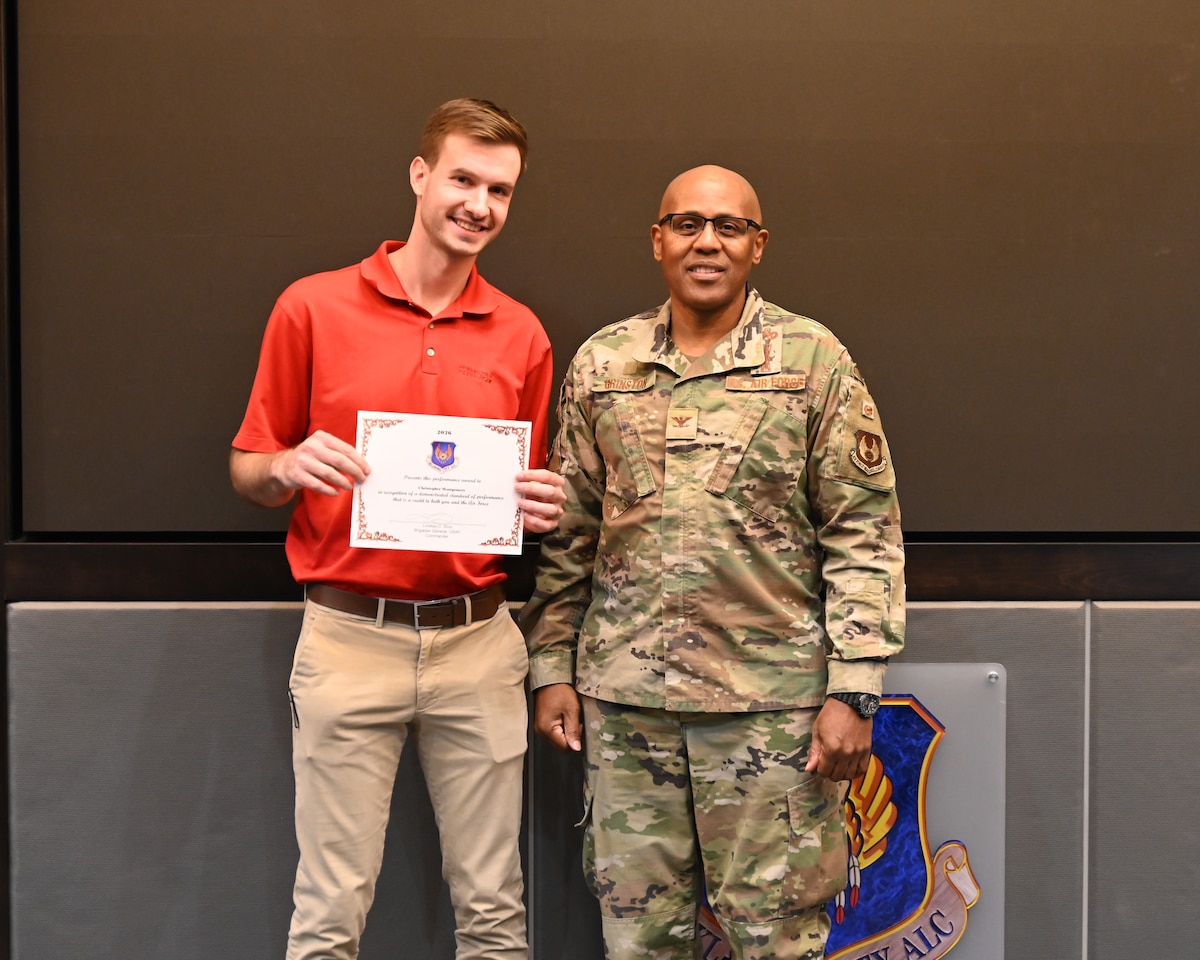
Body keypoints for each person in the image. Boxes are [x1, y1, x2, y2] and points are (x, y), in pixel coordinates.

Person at [520, 165, 905, 960]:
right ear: (657, 239)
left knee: (776, 942)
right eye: (687, 223)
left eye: (728, 227)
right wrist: (551, 664)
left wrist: (857, 691)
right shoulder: (604, 364)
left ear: (757, 246)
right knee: (637, 944)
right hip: (628, 714)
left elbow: (863, 531)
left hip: (772, 719)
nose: (707, 241)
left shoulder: (812, 360)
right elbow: (571, 535)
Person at [230, 98, 565, 960]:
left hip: (478, 641)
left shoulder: (522, 333)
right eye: (463, 178)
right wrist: (287, 466)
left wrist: (543, 505)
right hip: (348, 637)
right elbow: (249, 465)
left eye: (500, 189)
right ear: (420, 177)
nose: (479, 205)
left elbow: (529, 485)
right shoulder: (311, 307)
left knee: (495, 911)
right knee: (330, 911)